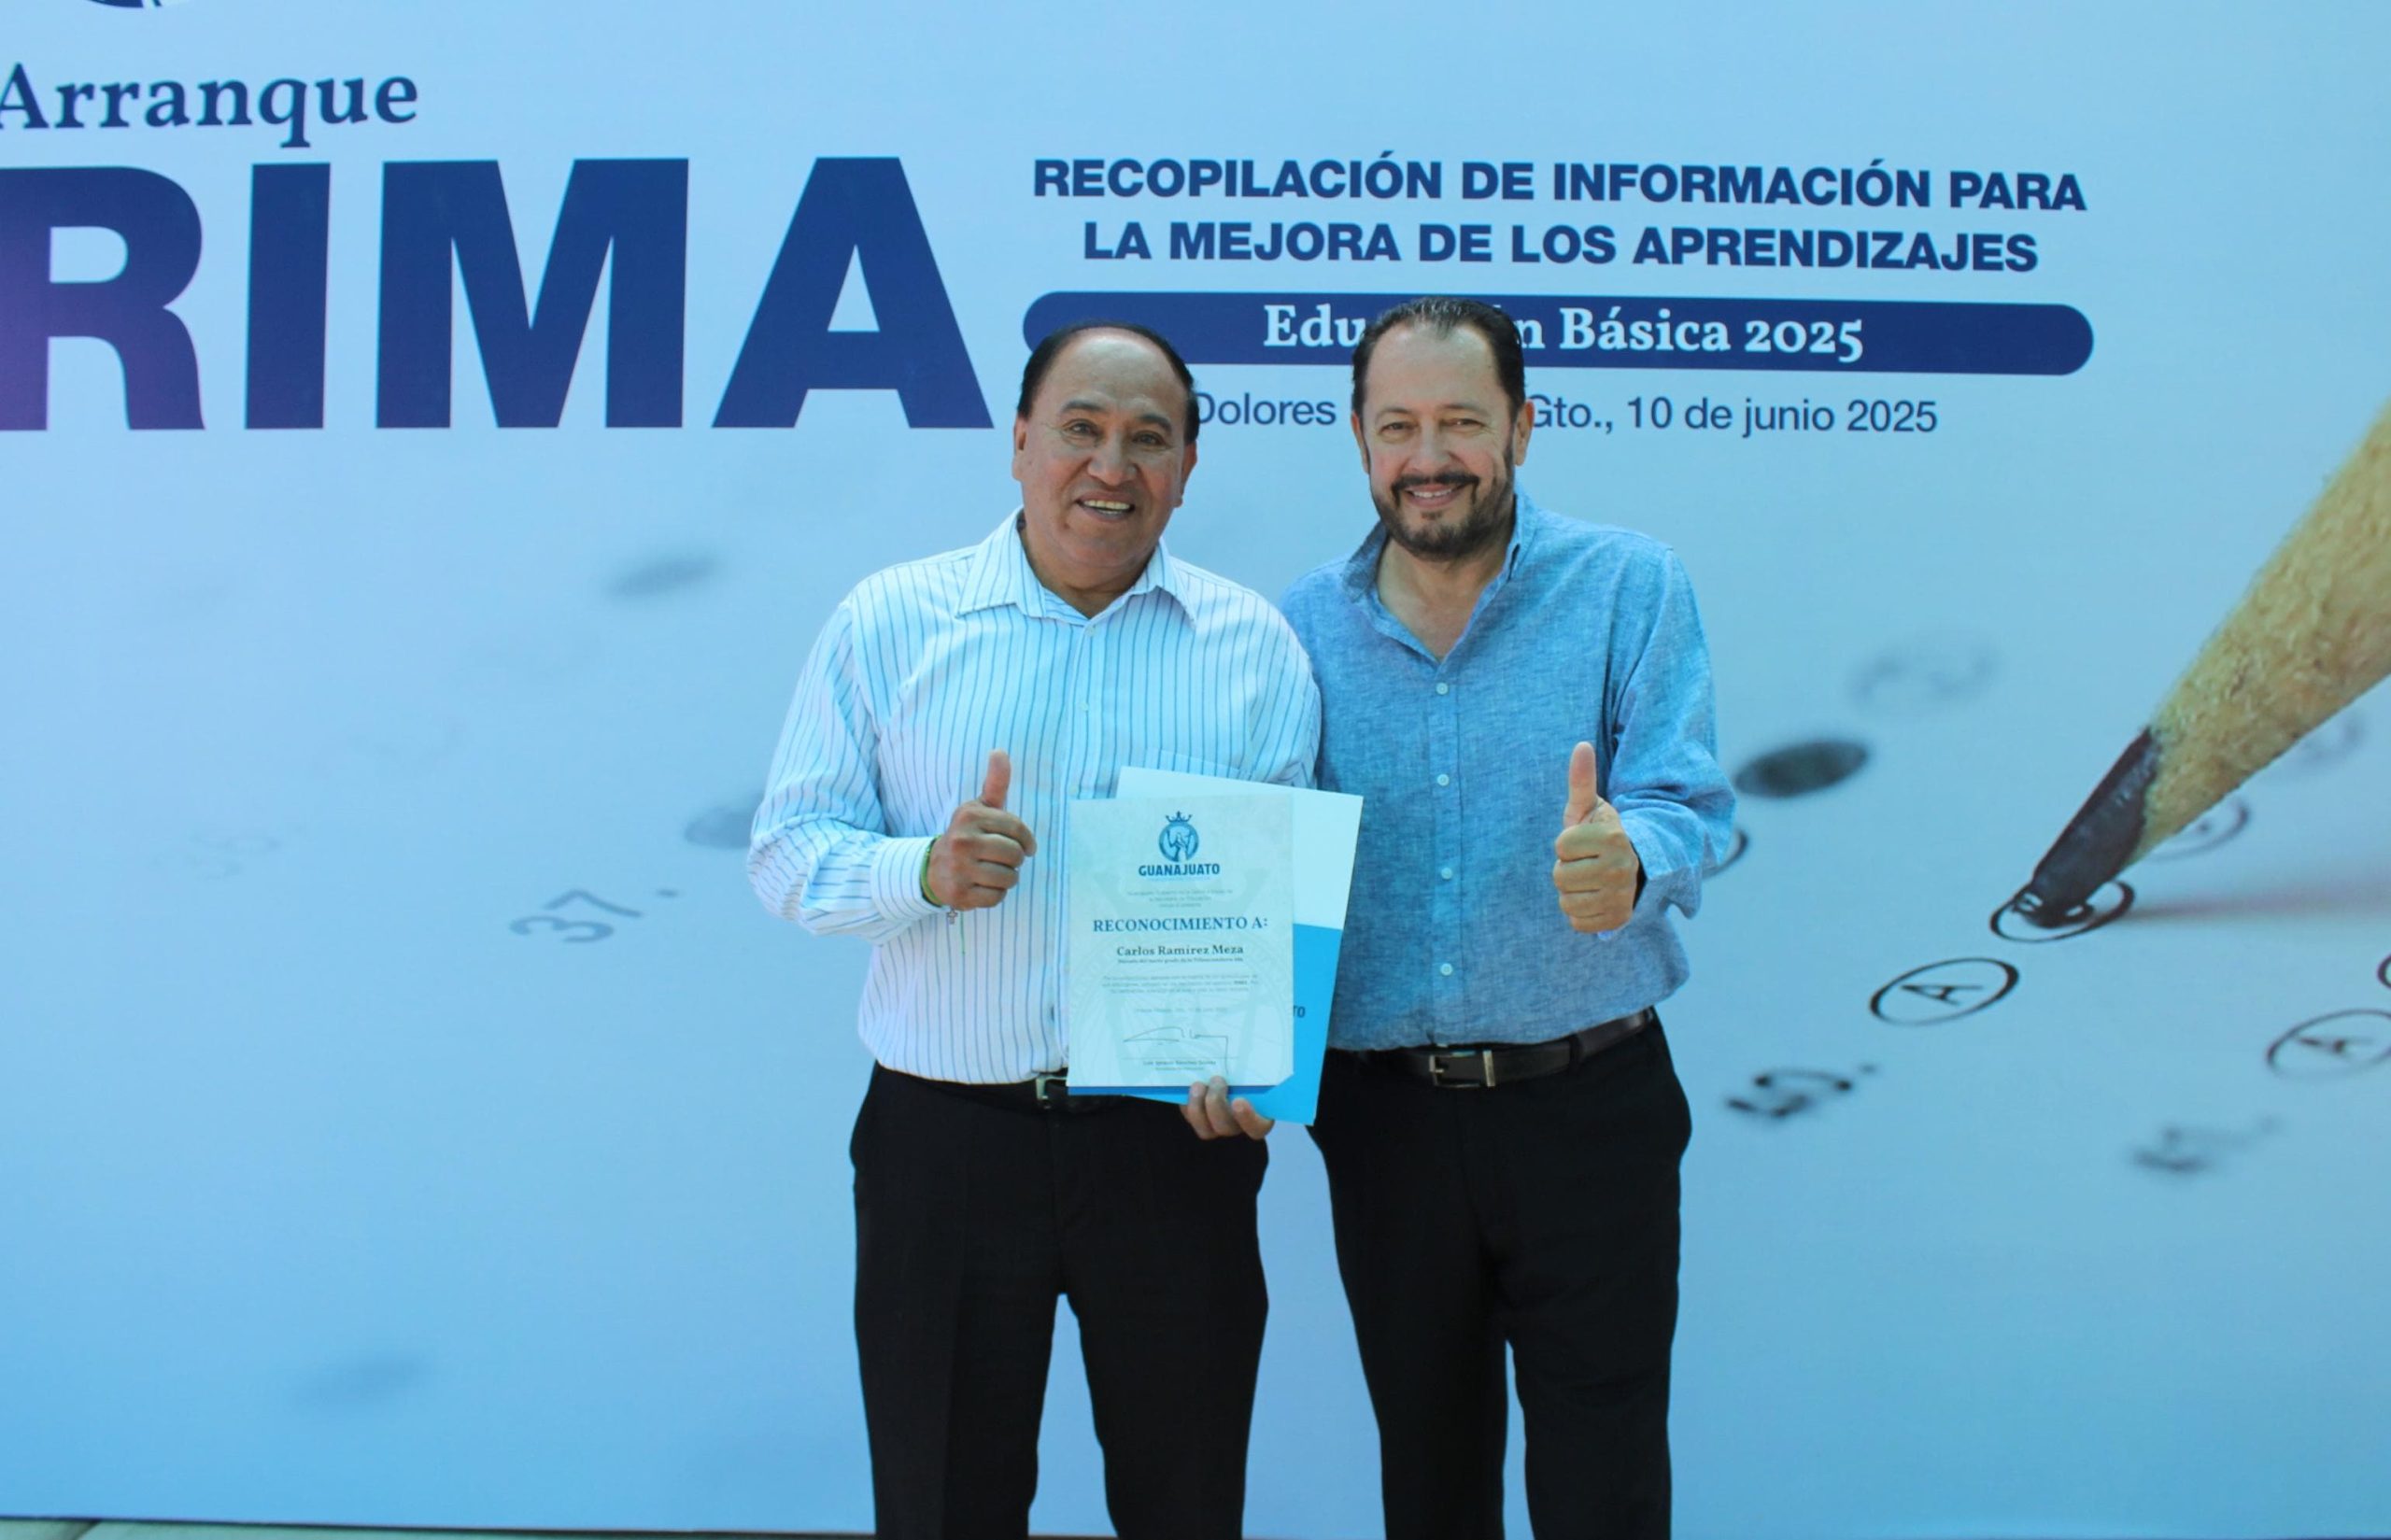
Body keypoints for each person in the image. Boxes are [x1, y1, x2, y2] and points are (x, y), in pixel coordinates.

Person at [748, 320, 1320, 1540]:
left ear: (1187, 467)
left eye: (1148, 439)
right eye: (1080, 429)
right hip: (946, 1146)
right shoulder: (891, 621)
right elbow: (785, 850)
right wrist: (922, 869)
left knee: (1187, 1506)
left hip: (1172, 1149)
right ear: (1019, 442)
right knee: (943, 1506)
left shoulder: (1253, 649)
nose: (1111, 466)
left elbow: (1281, 915)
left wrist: (1260, 1063)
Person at [1257, 296, 1733, 1537]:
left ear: (1521, 426)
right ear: (1360, 438)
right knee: (1429, 1477)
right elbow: (1264, 866)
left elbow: (1690, 801)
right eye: (1398, 425)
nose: (1431, 457)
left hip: (1591, 1109)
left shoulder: (1628, 585)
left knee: (1603, 1482)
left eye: (1462, 422)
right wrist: (1220, 1031)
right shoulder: (1295, 629)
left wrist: (1634, 856)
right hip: (1386, 1124)